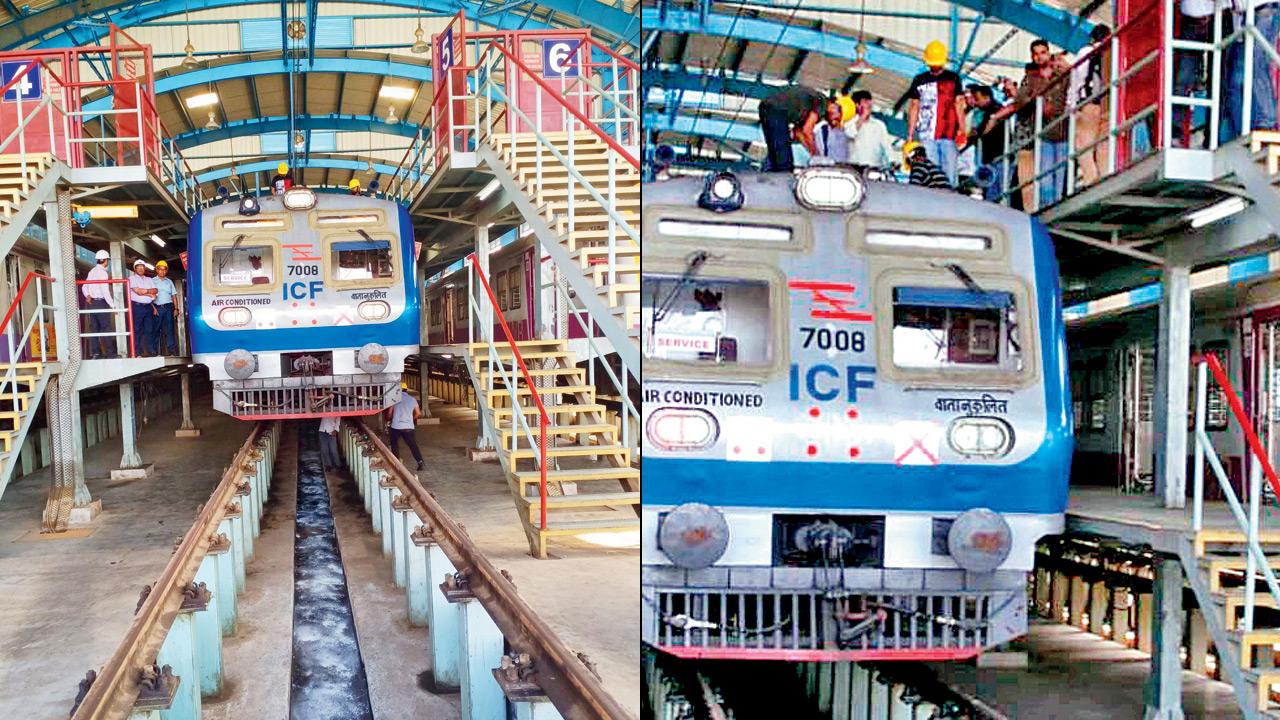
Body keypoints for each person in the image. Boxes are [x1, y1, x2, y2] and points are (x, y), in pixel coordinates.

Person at [987, 38, 1069, 210]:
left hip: (1063, 130)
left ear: (1048, 53)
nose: (1040, 57)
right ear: (1032, 57)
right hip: (1043, 133)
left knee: (1060, 177)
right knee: (1045, 178)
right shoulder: (1030, 79)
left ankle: (1056, 207)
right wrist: (1035, 100)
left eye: (1043, 52)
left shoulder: (1062, 74)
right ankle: (1048, 210)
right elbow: (1020, 101)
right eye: (1036, 54)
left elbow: (1074, 89)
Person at [906, 40, 965, 187]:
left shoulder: (922, 80)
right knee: (944, 175)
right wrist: (910, 134)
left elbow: (959, 104)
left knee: (936, 173)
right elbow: (914, 106)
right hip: (934, 135)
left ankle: (944, 196)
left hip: (943, 135)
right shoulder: (952, 78)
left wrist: (962, 129)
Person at [1069, 25, 1111, 184]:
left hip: (1089, 104)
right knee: (1104, 144)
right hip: (1108, 104)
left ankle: (1090, 180)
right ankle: (1104, 178)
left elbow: (1078, 79)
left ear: (1092, 38)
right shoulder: (1112, 52)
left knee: (1084, 146)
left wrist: (1072, 106)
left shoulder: (1086, 51)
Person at [758, 85, 824, 172]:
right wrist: (817, 155)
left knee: (775, 152)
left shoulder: (807, 103)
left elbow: (798, 133)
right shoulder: (822, 103)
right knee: (784, 162)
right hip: (778, 109)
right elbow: (807, 130)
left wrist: (812, 153)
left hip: (766, 106)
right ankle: (781, 176)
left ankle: (768, 174)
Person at [967, 85, 1009, 201]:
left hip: (998, 152)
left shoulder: (996, 110)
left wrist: (977, 133)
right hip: (988, 154)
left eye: (978, 99)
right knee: (989, 183)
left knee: (996, 184)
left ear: (987, 97)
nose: (976, 102)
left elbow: (985, 129)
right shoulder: (980, 112)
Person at [845, 91, 896, 169]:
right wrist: (862, 117)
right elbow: (850, 133)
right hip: (854, 168)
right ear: (857, 105)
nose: (869, 104)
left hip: (874, 168)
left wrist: (892, 161)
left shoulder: (879, 125)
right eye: (865, 102)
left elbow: (887, 146)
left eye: (870, 101)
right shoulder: (849, 122)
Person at [82, 249, 117, 359]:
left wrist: (87, 295)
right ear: (105, 260)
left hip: (92, 303)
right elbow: (105, 291)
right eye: (107, 260)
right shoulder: (103, 273)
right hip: (101, 303)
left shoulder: (91, 271)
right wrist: (113, 306)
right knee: (106, 328)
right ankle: (110, 354)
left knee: (94, 329)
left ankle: (96, 353)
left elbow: (84, 286)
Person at [385, 382, 424, 470]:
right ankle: (420, 462)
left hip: (396, 426)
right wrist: (411, 419)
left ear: (398, 390)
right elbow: (418, 413)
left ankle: (396, 463)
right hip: (408, 427)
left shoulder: (394, 399)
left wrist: (388, 419)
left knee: (394, 444)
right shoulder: (412, 399)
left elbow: (389, 413)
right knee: (412, 445)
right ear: (406, 390)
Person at [127, 259, 158, 357]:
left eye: (142, 267)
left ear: (145, 268)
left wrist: (146, 291)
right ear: (135, 269)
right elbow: (138, 292)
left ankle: (151, 351)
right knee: (137, 330)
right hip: (137, 307)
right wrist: (150, 294)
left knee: (150, 329)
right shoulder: (131, 278)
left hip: (148, 307)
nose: (140, 269)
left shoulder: (149, 279)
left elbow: (156, 290)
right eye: (138, 267)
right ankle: (137, 352)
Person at [152, 259, 178, 356]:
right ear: (157, 270)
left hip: (168, 307)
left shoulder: (169, 281)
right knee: (156, 329)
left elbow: (174, 296)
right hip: (157, 307)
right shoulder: (152, 281)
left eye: (164, 269)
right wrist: (153, 308)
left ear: (166, 271)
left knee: (169, 330)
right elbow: (149, 296)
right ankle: (155, 352)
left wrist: (176, 308)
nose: (162, 271)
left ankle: (172, 352)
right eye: (160, 269)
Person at [813, 98, 850, 163]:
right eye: (831, 113)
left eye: (835, 112)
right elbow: (820, 153)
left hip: (845, 166)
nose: (833, 116)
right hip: (829, 166)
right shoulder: (822, 131)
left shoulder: (847, 131)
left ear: (840, 114)